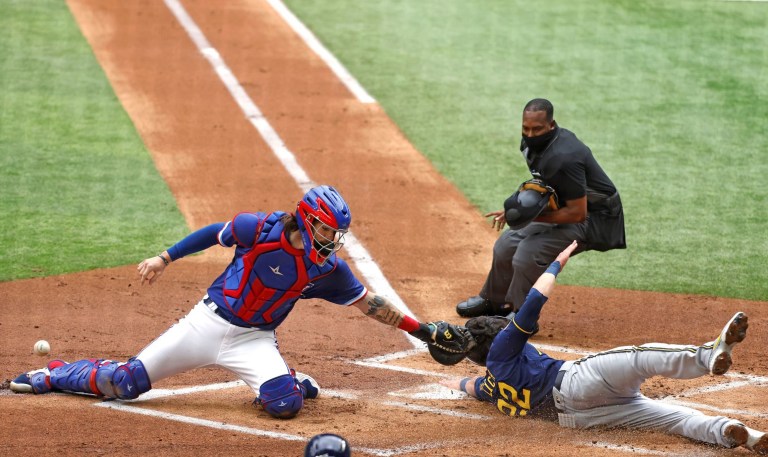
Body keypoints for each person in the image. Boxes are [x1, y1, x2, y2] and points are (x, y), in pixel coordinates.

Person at [10, 185, 455, 419]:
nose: (332, 241)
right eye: (326, 231)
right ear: (307, 218)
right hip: (205, 324)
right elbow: (211, 233)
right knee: (125, 386)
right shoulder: (257, 230)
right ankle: (55, 375)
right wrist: (165, 257)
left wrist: (422, 330)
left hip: (254, 340)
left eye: (336, 234)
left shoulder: (328, 269)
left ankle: (287, 381)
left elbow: (369, 304)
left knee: (286, 407)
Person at [442, 241, 767, 454]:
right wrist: (557, 262)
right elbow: (533, 301)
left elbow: (472, 386)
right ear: (497, 339)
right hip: (579, 382)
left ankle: (732, 432)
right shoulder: (503, 349)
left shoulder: (491, 382)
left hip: (578, 417)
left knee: (674, 420)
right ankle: (707, 357)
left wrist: (454, 382)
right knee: (641, 359)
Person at [457, 98, 626, 318]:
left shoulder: (565, 157)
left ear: (551, 126)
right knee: (506, 245)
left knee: (527, 254)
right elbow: (548, 184)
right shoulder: (530, 144)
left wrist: (527, 219)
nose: (530, 134)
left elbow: (577, 213)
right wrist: (520, 211)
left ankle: (521, 317)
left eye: (537, 129)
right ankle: (493, 301)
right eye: (525, 128)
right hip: (567, 207)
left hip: (595, 219)